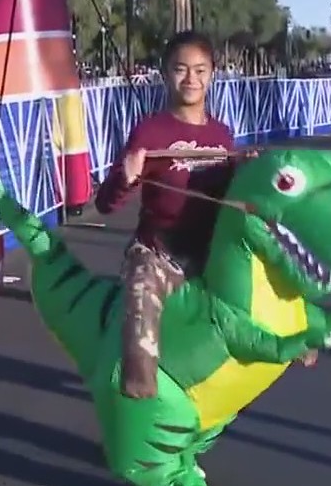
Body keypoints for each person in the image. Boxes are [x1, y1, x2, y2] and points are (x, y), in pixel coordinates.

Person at [95, 31, 310, 398]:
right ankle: (137, 401)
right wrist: (126, 177)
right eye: (181, 69)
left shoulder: (222, 134)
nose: (191, 79)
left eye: (200, 70)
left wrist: (248, 172)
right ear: (165, 73)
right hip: (156, 254)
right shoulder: (150, 130)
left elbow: (231, 196)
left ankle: (299, 331)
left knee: (270, 269)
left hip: (210, 255)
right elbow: (106, 205)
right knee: (140, 317)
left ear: (212, 74)